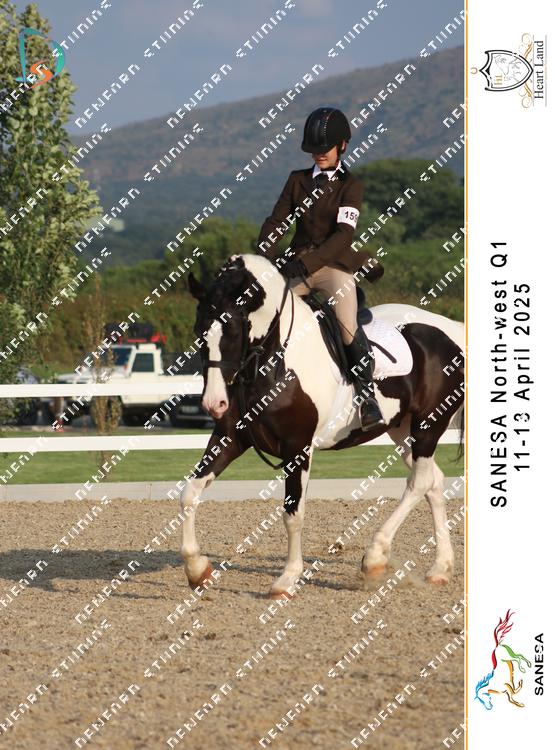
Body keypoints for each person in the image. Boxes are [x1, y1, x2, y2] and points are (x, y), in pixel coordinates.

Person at [256, 106, 385, 431]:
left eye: (325, 148)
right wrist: (265, 257)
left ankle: (367, 398)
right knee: (265, 314)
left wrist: (307, 263)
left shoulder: (351, 185)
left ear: (342, 145)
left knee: (347, 326)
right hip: (295, 265)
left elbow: (343, 235)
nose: (318, 154)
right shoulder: (296, 180)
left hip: (332, 266)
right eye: (313, 149)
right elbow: (277, 221)